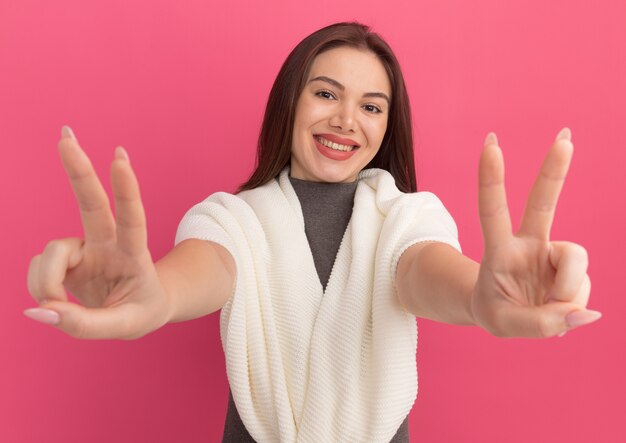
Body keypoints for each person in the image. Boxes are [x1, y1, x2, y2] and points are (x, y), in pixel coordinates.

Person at [24, 22, 600, 443]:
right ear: (290, 103)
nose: (347, 120)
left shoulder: (407, 219)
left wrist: (481, 299)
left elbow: (425, 270)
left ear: (386, 126)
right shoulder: (235, 220)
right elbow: (206, 268)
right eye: (326, 93)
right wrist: (154, 296)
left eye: (372, 107)